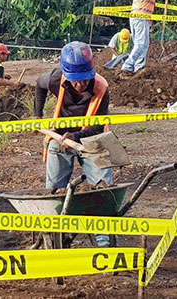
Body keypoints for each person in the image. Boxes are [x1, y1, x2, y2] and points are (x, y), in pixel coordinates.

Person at [34, 41, 113, 247]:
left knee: (101, 189)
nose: (80, 85)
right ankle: (58, 233)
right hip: (61, 138)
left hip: (93, 138)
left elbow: (98, 125)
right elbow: (39, 85)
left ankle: (103, 241)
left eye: (84, 80)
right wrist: (37, 116)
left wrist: (76, 136)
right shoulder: (54, 78)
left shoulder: (102, 87)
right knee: (56, 185)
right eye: (75, 81)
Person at [121, 0, 172, 74]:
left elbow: (146, 3)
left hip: (137, 18)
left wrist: (150, 18)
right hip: (140, 18)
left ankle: (139, 67)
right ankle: (128, 65)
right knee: (140, 44)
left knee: (143, 44)